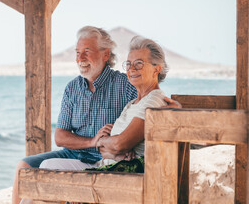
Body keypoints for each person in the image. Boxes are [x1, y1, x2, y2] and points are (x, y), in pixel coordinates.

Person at [12, 27, 179, 204]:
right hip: (76, 154)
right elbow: (60, 136)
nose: (80, 58)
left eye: (86, 52)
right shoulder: (73, 88)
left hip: (106, 160)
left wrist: (174, 111)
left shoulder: (126, 84)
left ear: (105, 55)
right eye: (77, 53)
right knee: (24, 167)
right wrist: (95, 141)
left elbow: (149, 101)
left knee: (43, 181)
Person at [39, 35, 168, 172]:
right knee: (44, 166)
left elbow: (120, 143)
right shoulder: (133, 103)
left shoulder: (152, 100)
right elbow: (107, 150)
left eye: (139, 63)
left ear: (156, 69)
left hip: (117, 172)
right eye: (129, 64)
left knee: (46, 168)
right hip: (109, 165)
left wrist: (101, 142)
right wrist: (111, 150)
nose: (132, 69)